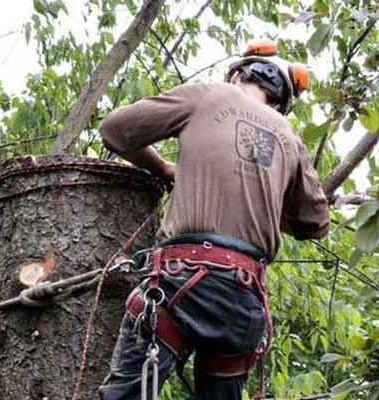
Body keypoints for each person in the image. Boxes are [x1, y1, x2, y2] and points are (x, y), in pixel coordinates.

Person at [97, 40, 330, 400]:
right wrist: (267, 204)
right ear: (281, 102)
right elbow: (315, 224)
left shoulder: (210, 95)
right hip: (241, 298)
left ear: (237, 75)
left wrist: (162, 167)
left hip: (177, 282)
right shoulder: (289, 137)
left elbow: (115, 130)